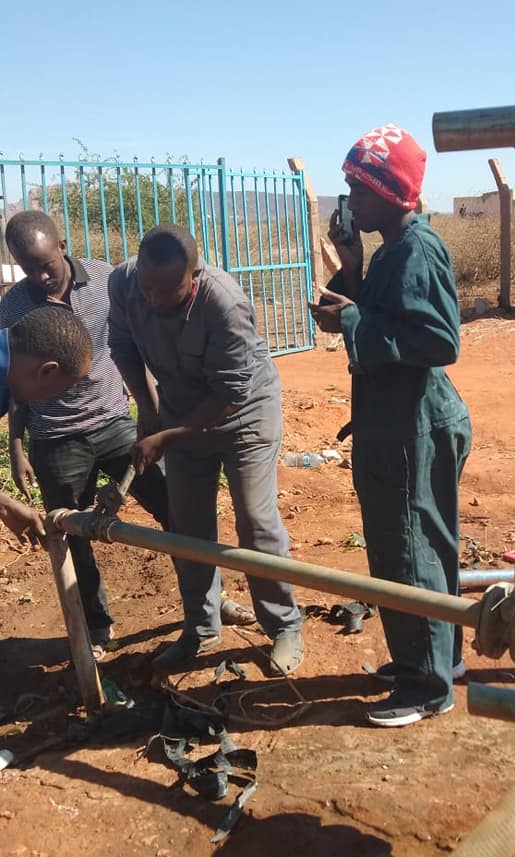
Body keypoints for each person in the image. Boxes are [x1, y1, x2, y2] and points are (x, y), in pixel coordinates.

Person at [309, 123, 472, 728]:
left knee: (408, 554)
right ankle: (438, 658)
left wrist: (350, 321)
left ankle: (426, 684)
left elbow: (438, 339)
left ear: (389, 193)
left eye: (357, 189)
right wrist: (350, 271)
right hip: (403, 424)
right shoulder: (392, 249)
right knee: (425, 547)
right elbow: (383, 316)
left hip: (411, 430)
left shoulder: (414, 250)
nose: (349, 201)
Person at [107, 224, 303, 674]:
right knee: (188, 525)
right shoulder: (123, 282)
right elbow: (121, 344)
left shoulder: (224, 302)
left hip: (244, 414)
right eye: (148, 287)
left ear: (193, 276)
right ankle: (201, 626)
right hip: (177, 410)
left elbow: (232, 391)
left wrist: (168, 436)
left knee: (255, 520)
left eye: (168, 290)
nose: (153, 299)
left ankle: (284, 626)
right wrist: (149, 408)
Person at [0, 210, 171, 659]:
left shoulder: (107, 281)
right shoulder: (14, 308)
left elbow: (135, 344)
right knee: (72, 535)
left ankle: (204, 603)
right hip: (56, 438)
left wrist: (149, 412)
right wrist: (18, 446)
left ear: (61, 246)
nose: (38, 276)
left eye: (45, 264)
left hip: (115, 422)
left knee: (176, 506)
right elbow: (13, 384)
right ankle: (95, 628)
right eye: (26, 267)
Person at [0, 304, 92, 545]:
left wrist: (5, 506)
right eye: (62, 388)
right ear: (48, 371)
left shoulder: (7, 377)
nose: (55, 397)